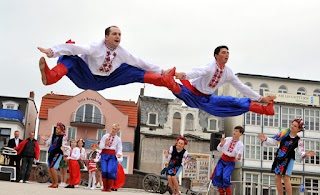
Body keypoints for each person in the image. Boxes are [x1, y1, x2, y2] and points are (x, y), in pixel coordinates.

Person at [37, 26, 180, 94]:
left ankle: (163, 79)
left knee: (132, 69)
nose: (118, 36)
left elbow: (140, 62)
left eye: (119, 34)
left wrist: (161, 71)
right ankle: (51, 77)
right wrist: (52, 51)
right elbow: (75, 48)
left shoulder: (122, 53)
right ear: (106, 37)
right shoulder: (95, 47)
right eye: (114, 34)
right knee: (69, 58)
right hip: (86, 77)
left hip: (105, 81)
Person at [169, 46, 276, 117]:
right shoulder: (210, 67)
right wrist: (183, 75)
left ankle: (265, 110)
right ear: (216, 55)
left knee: (233, 101)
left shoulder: (228, 73)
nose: (227, 55)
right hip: (193, 94)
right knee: (173, 85)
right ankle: (163, 76)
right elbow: (197, 72)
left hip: (208, 99)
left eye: (228, 53)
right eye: (224, 53)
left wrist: (261, 98)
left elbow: (241, 87)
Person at [258, 118, 315, 195]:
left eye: (295, 126)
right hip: (279, 157)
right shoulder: (283, 133)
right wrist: (265, 139)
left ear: (299, 129)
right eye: (292, 124)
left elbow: (301, 152)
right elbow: (274, 141)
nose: (292, 126)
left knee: (286, 178)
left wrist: (306, 154)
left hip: (289, 159)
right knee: (277, 177)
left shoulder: (298, 140)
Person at [212, 126, 244, 195]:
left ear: (240, 134)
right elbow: (219, 149)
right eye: (234, 130)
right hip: (222, 159)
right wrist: (221, 144)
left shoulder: (240, 145)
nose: (234, 132)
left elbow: (238, 156)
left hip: (230, 162)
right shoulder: (227, 139)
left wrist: (239, 157)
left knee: (225, 177)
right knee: (217, 175)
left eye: (237, 131)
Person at [98, 123, 122, 192]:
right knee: (104, 170)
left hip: (112, 155)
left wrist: (119, 154)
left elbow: (119, 148)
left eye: (115, 129)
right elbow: (100, 146)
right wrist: (105, 144)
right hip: (104, 154)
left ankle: (109, 187)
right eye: (113, 128)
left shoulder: (118, 139)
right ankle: (104, 187)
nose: (113, 130)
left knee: (110, 170)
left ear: (117, 130)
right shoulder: (105, 136)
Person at [45, 122, 67, 188]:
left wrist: (65, 153)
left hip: (58, 153)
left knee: (52, 167)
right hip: (51, 152)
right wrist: (46, 140)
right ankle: (53, 182)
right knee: (49, 168)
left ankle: (56, 183)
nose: (56, 130)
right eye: (56, 128)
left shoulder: (63, 137)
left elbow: (64, 146)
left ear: (62, 130)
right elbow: (48, 143)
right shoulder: (53, 135)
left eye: (58, 128)